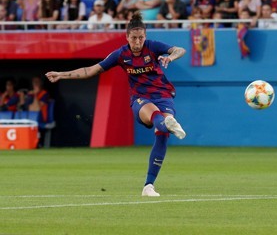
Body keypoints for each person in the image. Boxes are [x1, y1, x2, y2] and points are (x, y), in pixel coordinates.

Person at [45, 11, 187, 197]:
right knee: (158, 118)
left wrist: (170, 57)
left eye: (141, 38)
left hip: (163, 95)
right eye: (134, 38)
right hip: (140, 98)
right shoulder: (121, 54)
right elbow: (91, 70)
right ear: (127, 36)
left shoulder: (153, 47)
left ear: (145, 36)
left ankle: (148, 186)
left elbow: (180, 50)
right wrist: (62, 74)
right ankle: (166, 121)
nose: (137, 42)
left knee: (162, 133)